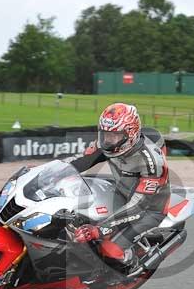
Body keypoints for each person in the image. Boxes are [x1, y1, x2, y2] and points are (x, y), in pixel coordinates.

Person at [67, 102, 169, 271]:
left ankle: (131, 263)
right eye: (105, 134)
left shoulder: (151, 162)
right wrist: (45, 172)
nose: (108, 140)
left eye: (114, 135)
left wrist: (100, 229)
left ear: (130, 134)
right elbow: (80, 161)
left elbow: (139, 205)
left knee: (110, 250)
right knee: (78, 213)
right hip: (121, 192)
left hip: (149, 208)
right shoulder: (108, 143)